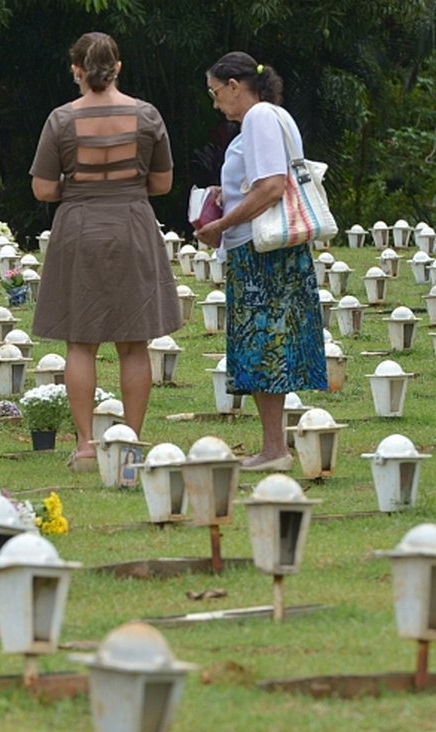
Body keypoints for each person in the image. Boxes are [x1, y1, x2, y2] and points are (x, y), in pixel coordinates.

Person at [29, 32, 180, 472]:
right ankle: (130, 444)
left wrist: (79, 188)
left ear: (77, 70)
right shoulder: (147, 115)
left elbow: (42, 188)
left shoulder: (61, 120)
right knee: (134, 345)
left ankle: (86, 446)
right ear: (119, 68)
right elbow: (163, 184)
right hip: (132, 224)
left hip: (79, 225)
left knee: (81, 342)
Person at [193, 52, 326, 472]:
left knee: (264, 346)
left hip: (260, 250)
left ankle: (274, 450)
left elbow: (271, 187)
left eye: (217, 94)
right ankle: (273, 446)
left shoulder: (258, 118)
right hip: (265, 247)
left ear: (235, 85)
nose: (217, 104)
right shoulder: (273, 117)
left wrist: (222, 224)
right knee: (270, 345)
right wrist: (224, 191)